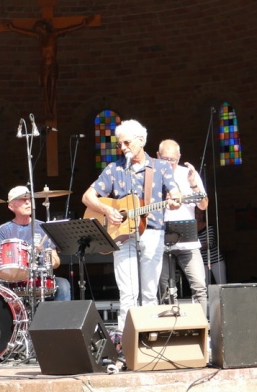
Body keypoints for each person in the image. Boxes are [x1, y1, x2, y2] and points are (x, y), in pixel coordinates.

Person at [81, 119, 181, 334]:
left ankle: (150, 335)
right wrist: (108, 210)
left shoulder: (161, 167)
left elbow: (175, 194)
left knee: (149, 292)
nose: (123, 148)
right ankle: (126, 339)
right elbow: (87, 197)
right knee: (128, 293)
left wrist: (175, 200)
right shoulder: (114, 169)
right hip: (122, 236)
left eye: (127, 143)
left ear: (141, 141)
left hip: (152, 233)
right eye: (120, 144)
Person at [157, 140, 209, 317]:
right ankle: (169, 327)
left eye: (173, 159)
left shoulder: (188, 174)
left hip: (188, 241)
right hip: (161, 240)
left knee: (199, 285)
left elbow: (203, 205)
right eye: (165, 159)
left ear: (179, 157)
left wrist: (193, 183)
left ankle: (201, 325)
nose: (170, 163)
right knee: (164, 289)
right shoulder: (152, 175)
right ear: (158, 156)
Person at [0, 186, 70, 301]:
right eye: (22, 199)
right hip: (14, 280)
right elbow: (1, 263)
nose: (27, 202)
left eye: (29, 199)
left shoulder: (43, 227)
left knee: (63, 285)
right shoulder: (3, 230)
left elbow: (56, 260)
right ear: (11, 206)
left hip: (40, 278)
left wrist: (51, 261)